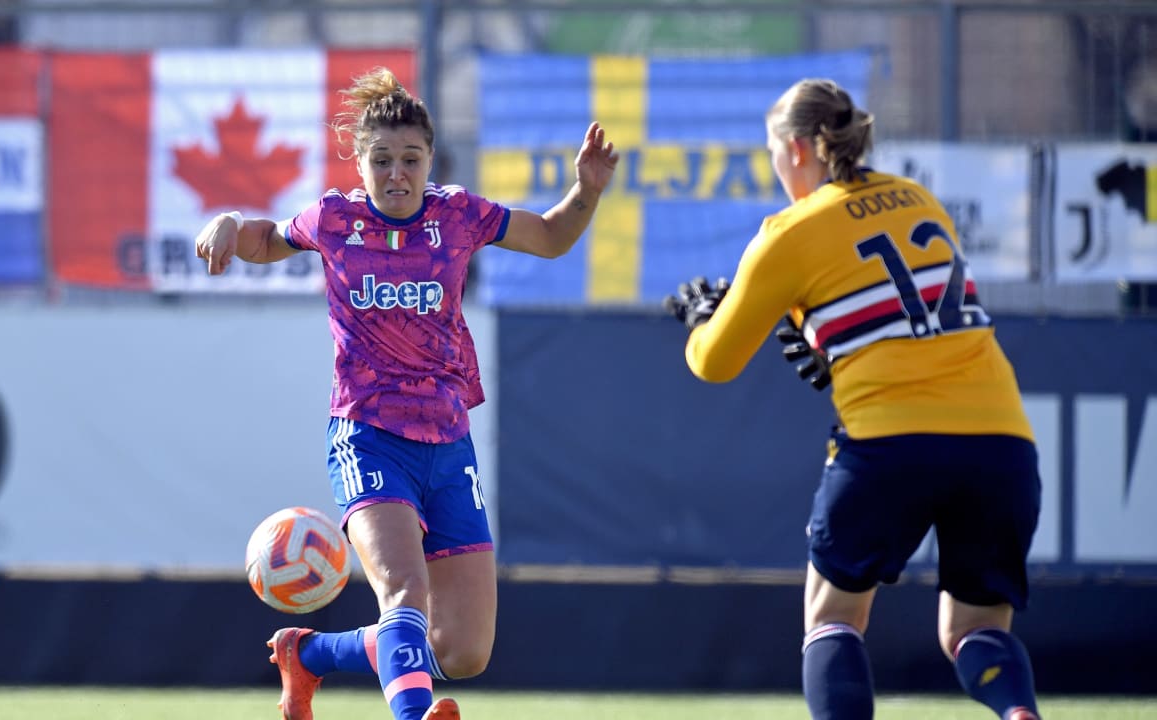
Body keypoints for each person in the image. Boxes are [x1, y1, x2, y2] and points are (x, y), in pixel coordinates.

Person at [194, 67, 617, 720]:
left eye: (410, 159)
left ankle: (308, 656)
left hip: (448, 442)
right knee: (404, 594)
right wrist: (228, 221)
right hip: (368, 434)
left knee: (465, 649)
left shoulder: (459, 214)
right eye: (381, 160)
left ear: (430, 160)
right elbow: (266, 240)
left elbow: (553, 237)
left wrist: (585, 191)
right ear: (360, 164)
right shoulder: (334, 219)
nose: (397, 174)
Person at [663, 78, 1042, 720]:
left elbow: (716, 362)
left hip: (890, 446)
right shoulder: (918, 198)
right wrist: (832, 341)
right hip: (1001, 442)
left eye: (775, 154)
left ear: (801, 149)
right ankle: (1018, 713)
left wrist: (706, 319)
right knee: (977, 633)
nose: (778, 170)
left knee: (833, 620)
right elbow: (910, 318)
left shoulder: (789, 230)